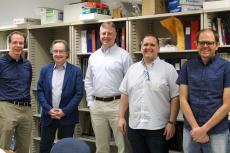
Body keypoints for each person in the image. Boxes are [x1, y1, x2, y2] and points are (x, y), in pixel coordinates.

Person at [118, 34, 179, 153]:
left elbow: (175, 98)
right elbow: (125, 94)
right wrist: (120, 117)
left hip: (158, 128)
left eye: (152, 45)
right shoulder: (132, 69)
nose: (148, 47)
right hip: (135, 127)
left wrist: (172, 122)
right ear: (141, 47)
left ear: (158, 48)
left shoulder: (169, 69)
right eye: (145, 44)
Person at [176, 28, 230, 153]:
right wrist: (196, 129)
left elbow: (227, 104)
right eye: (201, 43)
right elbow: (183, 99)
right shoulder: (187, 66)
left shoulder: (227, 67)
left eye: (210, 43)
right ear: (196, 45)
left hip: (217, 132)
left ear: (217, 45)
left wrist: (204, 129)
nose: (205, 46)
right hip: (191, 129)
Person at [85, 21, 132, 153]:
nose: (106, 36)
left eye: (109, 33)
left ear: (115, 35)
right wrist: (90, 102)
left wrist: (124, 106)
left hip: (117, 105)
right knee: (101, 146)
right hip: (97, 106)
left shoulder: (124, 55)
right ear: (99, 35)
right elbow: (88, 80)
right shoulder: (93, 57)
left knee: (122, 145)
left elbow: (130, 83)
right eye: (103, 33)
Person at [37, 40, 83, 153]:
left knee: (65, 149)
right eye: (55, 51)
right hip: (48, 117)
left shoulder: (76, 71)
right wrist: (48, 109)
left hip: (67, 117)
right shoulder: (45, 70)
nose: (58, 54)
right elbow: (40, 91)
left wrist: (64, 111)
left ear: (67, 53)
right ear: (52, 53)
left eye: (61, 51)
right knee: (44, 148)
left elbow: (78, 94)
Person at [0, 31, 32, 153]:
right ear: (9, 44)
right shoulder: (1, 63)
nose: (18, 45)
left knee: (24, 147)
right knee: (4, 146)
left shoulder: (27, 64)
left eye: (21, 43)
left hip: (26, 109)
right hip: (6, 107)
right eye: (15, 42)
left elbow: (27, 85)